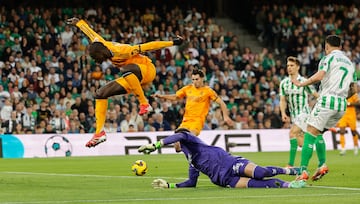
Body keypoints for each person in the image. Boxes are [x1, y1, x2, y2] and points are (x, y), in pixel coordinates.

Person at [66, 17, 183, 147]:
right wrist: (78, 23)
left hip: (147, 70)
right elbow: (90, 33)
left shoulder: (122, 51)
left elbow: (149, 46)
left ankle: (144, 103)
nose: (95, 60)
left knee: (126, 69)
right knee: (100, 93)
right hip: (131, 77)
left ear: (101, 53)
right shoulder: (99, 43)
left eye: (95, 57)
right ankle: (99, 133)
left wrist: (173, 42)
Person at [138, 129, 306, 189]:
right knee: (259, 185)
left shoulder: (191, 140)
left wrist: (156, 145)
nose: (173, 143)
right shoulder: (191, 160)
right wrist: (170, 185)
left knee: (260, 172)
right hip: (224, 179)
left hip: (231, 163)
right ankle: (290, 185)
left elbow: (180, 134)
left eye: (174, 140)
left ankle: (289, 171)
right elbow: (191, 182)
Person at [291, 35, 356, 181]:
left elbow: (319, 76)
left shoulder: (328, 58)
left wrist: (302, 83)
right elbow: (354, 90)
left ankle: (302, 173)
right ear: (340, 46)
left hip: (327, 100)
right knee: (318, 133)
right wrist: (340, 98)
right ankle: (321, 165)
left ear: (327, 46)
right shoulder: (350, 63)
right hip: (341, 105)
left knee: (309, 133)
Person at [152, 69, 233, 151]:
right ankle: (193, 151)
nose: (195, 82)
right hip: (186, 121)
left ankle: (200, 156)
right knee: (177, 146)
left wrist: (225, 117)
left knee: (190, 137)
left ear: (202, 79)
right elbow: (176, 97)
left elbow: (222, 103)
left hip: (197, 122)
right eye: (193, 79)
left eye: (197, 79)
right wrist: (161, 96)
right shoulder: (188, 88)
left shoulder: (208, 91)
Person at [279, 56, 319, 167]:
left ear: (298, 67)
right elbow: (282, 100)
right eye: (287, 66)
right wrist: (283, 113)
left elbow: (315, 95)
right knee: (302, 143)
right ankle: (317, 144)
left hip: (304, 113)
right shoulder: (283, 83)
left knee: (292, 133)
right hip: (294, 116)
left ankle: (290, 165)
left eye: (292, 65)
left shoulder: (304, 81)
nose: (289, 68)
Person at [336, 82, 360, 155]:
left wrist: (349, 104)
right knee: (342, 131)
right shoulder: (341, 94)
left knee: (353, 132)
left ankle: (355, 147)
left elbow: (358, 103)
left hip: (351, 115)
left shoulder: (353, 94)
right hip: (343, 115)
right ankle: (343, 149)